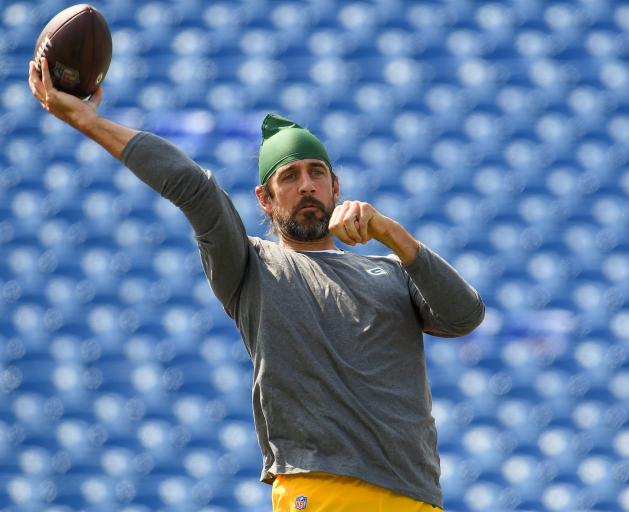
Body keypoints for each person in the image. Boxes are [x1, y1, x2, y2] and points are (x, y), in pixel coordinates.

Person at [29, 57, 485, 511]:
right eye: (289, 176)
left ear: (335, 187)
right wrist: (89, 122)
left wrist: (393, 234)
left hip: (418, 498)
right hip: (324, 491)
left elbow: (465, 315)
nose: (306, 185)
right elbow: (194, 188)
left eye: (316, 172)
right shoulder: (252, 266)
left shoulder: (390, 271)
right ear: (264, 200)